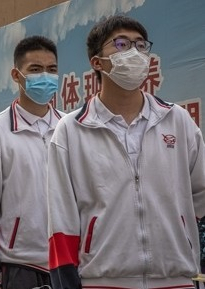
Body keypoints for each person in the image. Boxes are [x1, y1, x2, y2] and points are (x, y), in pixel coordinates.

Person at [47, 15, 205, 289]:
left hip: (175, 279)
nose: (133, 53)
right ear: (97, 62)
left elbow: (201, 192)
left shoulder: (176, 120)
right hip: (103, 280)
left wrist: (183, 235)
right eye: (121, 44)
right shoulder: (71, 130)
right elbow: (61, 216)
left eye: (140, 45)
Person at [0, 36, 64, 289]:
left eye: (52, 70)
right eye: (35, 69)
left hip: (69, 263)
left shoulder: (70, 128)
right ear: (16, 75)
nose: (45, 76)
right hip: (19, 267)